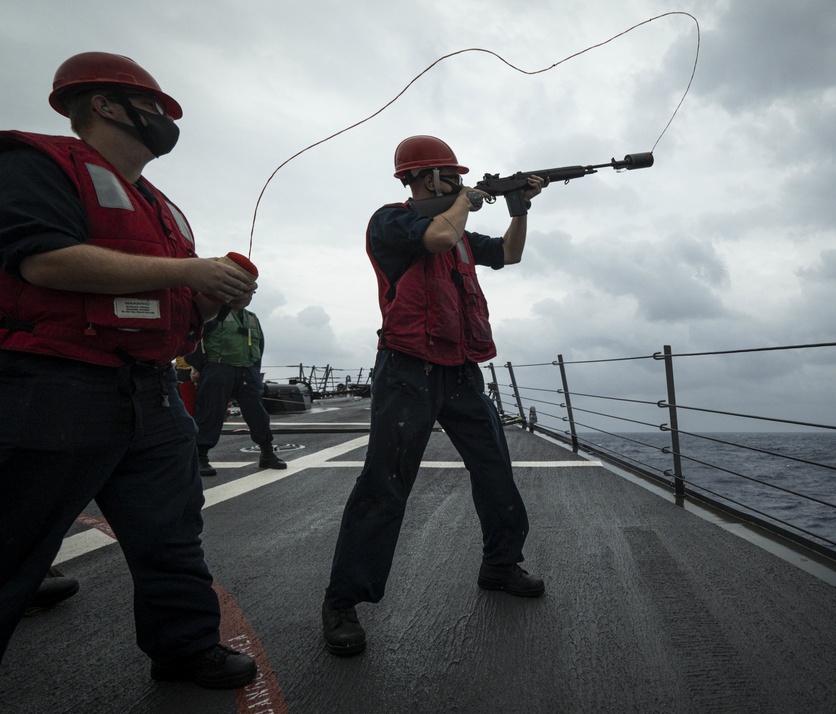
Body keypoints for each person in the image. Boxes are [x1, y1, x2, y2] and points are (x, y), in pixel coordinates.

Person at [0, 52, 258, 688]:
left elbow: (164, 295)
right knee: (13, 541)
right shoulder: (37, 163)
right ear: (106, 104)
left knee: (172, 532)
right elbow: (44, 262)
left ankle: (186, 648)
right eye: (154, 107)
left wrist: (208, 295)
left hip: (152, 390)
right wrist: (187, 271)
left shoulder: (161, 208)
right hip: (54, 384)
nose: (163, 119)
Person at [321, 135, 548, 656]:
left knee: (494, 469)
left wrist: (519, 207)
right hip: (408, 369)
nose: (463, 185)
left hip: (462, 369)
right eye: (454, 177)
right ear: (429, 179)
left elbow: (510, 253)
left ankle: (501, 563)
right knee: (385, 482)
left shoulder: (461, 232)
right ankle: (342, 601)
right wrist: (468, 202)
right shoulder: (391, 221)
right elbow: (440, 238)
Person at [188, 292, 287, 475]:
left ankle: (267, 453)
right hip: (219, 369)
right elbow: (190, 339)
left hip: (247, 371)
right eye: (243, 292)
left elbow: (259, 346)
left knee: (258, 414)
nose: (248, 296)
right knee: (210, 413)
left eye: (251, 293)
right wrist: (201, 366)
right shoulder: (215, 314)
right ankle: (200, 457)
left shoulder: (252, 318)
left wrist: (255, 373)